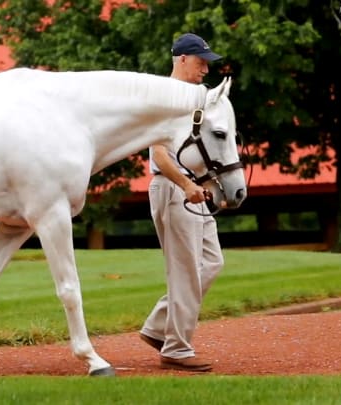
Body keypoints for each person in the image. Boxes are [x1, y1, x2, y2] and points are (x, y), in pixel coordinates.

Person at [139, 33, 224, 372]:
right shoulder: (163, 97)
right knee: (186, 271)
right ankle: (176, 348)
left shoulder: (195, 99)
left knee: (211, 262)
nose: (206, 68)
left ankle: (159, 325)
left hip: (194, 189)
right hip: (173, 188)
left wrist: (209, 184)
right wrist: (187, 184)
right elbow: (159, 150)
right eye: (201, 61)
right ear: (183, 59)